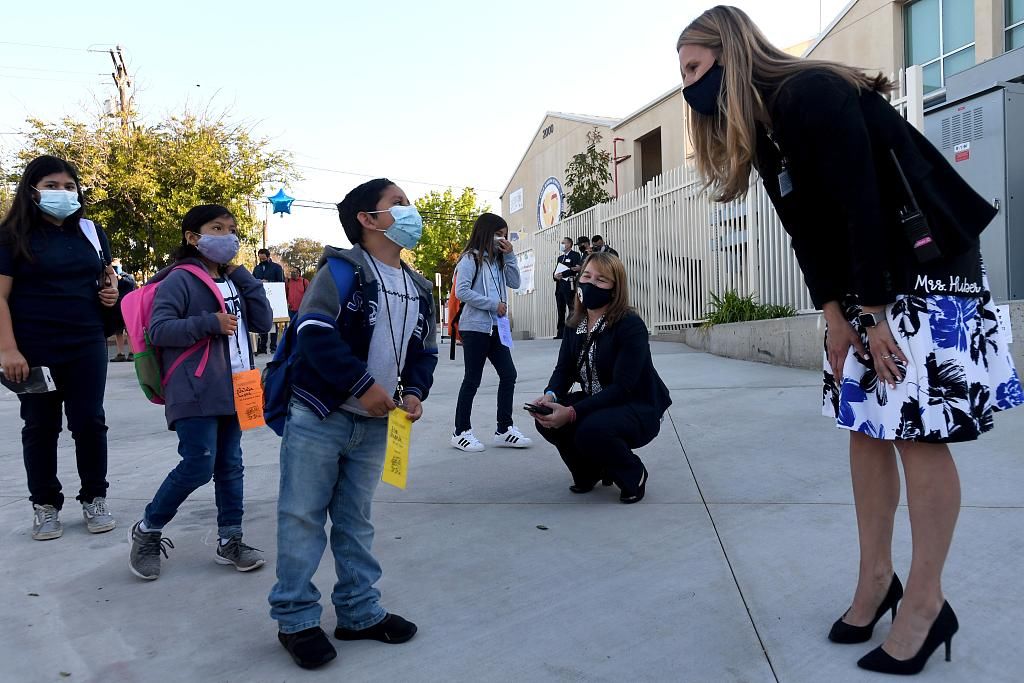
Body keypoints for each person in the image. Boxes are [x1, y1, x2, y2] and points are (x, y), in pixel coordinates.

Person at [678, 5, 1023, 675]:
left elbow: (865, 202)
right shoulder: (770, 130)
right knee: (866, 423)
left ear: (731, 53)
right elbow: (808, 232)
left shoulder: (808, 93)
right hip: (870, 284)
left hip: (923, 267)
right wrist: (835, 315)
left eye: (694, 69)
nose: (691, 86)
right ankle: (876, 580)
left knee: (916, 428)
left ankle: (926, 602)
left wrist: (873, 312)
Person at [268, 178, 437, 670]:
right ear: (367, 218)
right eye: (398, 204)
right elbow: (314, 333)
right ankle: (296, 620)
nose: (410, 211)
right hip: (321, 415)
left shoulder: (418, 287)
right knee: (301, 517)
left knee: (356, 520)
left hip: (377, 423)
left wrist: (414, 392)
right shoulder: (341, 271)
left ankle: (359, 611)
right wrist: (362, 385)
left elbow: (423, 351)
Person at [128, 204, 272, 581]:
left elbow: (261, 321)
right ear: (193, 237)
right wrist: (209, 323)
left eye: (232, 229)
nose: (228, 236)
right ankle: (147, 530)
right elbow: (158, 330)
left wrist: (244, 275)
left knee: (231, 466)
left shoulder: (234, 279)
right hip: (194, 386)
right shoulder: (180, 280)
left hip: (239, 384)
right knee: (198, 464)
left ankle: (231, 540)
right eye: (217, 228)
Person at [0, 155, 119, 540]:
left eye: (70, 186)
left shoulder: (90, 231)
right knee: (40, 426)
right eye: (52, 186)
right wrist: (8, 351)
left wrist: (111, 293)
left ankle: (94, 498)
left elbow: (105, 276)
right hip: (33, 348)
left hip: (86, 341)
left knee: (89, 422)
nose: (62, 193)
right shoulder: (11, 236)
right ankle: (45, 505)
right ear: (32, 190)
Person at [531, 253, 671, 504]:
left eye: (601, 280)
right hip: (598, 400)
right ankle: (589, 472)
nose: (591, 283)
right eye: (586, 276)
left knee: (590, 430)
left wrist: (572, 412)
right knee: (547, 418)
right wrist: (550, 395)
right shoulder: (575, 323)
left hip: (636, 405)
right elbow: (563, 369)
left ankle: (633, 474)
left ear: (615, 288)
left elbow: (622, 387)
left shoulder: (630, 325)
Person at [450, 212, 531, 452]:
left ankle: (504, 429)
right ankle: (460, 431)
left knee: (509, 374)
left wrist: (511, 255)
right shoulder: (469, 259)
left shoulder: (499, 261)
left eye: (504, 236)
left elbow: (516, 283)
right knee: (472, 380)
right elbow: (462, 292)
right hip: (475, 327)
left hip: (497, 327)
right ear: (486, 233)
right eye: (497, 235)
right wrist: (492, 304)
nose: (501, 239)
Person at [253, 248, 284, 354]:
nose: (262, 261)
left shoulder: (277, 268)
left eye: (263, 258)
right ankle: (262, 347)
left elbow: (281, 282)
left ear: (268, 257)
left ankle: (273, 347)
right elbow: (252, 281)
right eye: (260, 259)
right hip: (261, 298)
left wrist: (268, 282)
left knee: (273, 323)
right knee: (263, 322)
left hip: (274, 298)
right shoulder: (256, 268)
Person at [109, 258, 138, 362]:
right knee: (118, 332)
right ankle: (120, 353)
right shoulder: (110, 278)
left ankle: (132, 352)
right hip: (116, 308)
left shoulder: (127, 277)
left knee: (129, 331)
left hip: (127, 307)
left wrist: (119, 277)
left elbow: (130, 284)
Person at [553, 237, 581, 340]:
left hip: (569, 285)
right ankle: (560, 332)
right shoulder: (560, 258)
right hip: (559, 286)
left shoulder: (575, 255)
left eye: (563, 243)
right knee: (560, 310)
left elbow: (575, 269)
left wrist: (563, 273)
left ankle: (571, 331)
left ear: (569, 244)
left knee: (571, 308)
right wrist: (555, 276)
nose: (562, 245)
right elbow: (555, 271)